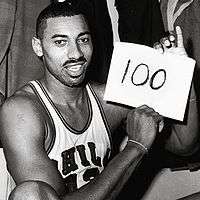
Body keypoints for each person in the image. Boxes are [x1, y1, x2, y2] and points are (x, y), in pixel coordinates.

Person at [0, 1, 198, 200]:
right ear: (38, 46)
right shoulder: (22, 111)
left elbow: (184, 144)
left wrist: (181, 76)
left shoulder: (107, 99)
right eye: (61, 42)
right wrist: (135, 147)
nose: (76, 53)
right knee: (28, 194)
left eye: (83, 40)